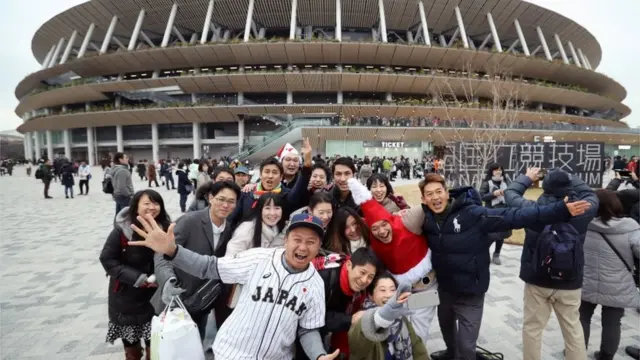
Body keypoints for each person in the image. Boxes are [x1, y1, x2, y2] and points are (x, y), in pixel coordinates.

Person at [420, 172, 593, 360]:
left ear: (447, 193)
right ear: (423, 198)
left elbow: (514, 215)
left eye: (439, 192)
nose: (435, 197)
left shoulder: (471, 214)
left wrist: (560, 210)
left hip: (471, 290)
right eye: (429, 194)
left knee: (466, 346)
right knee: (448, 333)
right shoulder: (426, 218)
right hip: (445, 291)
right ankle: (451, 353)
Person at [130, 213, 340, 360]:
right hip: (232, 353)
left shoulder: (314, 284)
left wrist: (318, 355)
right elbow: (208, 267)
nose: (303, 247)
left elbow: (307, 328)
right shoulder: (258, 258)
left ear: (318, 246)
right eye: (297, 239)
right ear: (286, 240)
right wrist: (173, 251)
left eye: (311, 242)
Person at [504, 168, 598, 360]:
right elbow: (590, 192)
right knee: (573, 329)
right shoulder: (583, 209)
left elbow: (510, 193)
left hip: (537, 278)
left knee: (532, 328)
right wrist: (571, 177)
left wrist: (527, 178)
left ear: (544, 188)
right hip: (570, 280)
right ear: (569, 186)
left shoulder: (532, 210)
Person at [348, 177, 436, 345]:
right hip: (401, 290)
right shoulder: (373, 242)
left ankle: (416, 354)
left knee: (418, 329)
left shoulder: (408, 219)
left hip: (427, 285)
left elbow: (430, 206)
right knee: (400, 328)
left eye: (384, 225)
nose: (381, 231)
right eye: (375, 228)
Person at [152, 181, 240, 338]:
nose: (225, 205)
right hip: (174, 301)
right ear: (210, 198)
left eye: (231, 201)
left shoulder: (230, 230)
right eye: (221, 199)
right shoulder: (189, 221)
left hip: (201, 304)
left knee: (196, 346)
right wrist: (168, 280)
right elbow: (162, 253)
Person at [99, 189, 171, 360]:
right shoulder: (122, 230)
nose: (152, 207)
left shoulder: (166, 228)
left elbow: (174, 256)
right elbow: (107, 259)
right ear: (136, 207)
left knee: (155, 348)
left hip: (157, 298)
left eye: (156, 203)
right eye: (146, 203)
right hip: (127, 297)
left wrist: (163, 276)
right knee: (133, 352)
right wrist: (138, 278)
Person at [580, 189, 640, 360]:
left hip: (586, 281)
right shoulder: (630, 229)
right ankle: (606, 355)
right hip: (618, 284)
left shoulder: (583, 225)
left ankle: (577, 351)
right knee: (613, 322)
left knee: (582, 318)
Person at [297, 247, 381, 360]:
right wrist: (350, 319)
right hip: (299, 330)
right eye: (362, 272)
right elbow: (313, 318)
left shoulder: (356, 286)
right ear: (349, 265)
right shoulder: (322, 278)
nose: (364, 280)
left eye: (370, 277)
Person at [348, 273, 429, 359]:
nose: (389, 295)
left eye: (392, 290)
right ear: (371, 295)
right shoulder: (361, 319)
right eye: (382, 290)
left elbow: (418, 348)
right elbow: (357, 348)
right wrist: (380, 318)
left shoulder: (400, 318)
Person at [479, 163, 511, 265]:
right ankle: (483, 254)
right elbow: (481, 196)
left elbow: (511, 194)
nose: (499, 171)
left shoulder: (506, 181)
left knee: (501, 235)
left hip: (504, 211)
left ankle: (496, 254)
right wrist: (493, 194)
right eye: (496, 170)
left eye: (500, 169)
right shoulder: (487, 183)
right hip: (491, 213)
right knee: (490, 236)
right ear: (492, 171)